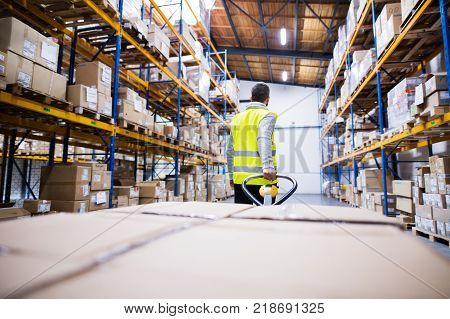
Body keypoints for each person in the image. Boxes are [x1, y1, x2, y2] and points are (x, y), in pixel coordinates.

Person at [227, 82, 278, 204]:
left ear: (251, 97)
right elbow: (263, 138)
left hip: (241, 180)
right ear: (267, 99)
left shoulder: (236, 118)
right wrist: (267, 166)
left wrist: (230, 175)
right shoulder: (267, 115)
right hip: (263, 179)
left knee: (242, 218)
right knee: (265, 218)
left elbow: (230, 150)